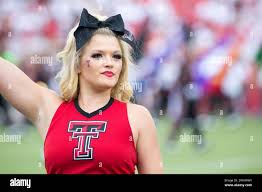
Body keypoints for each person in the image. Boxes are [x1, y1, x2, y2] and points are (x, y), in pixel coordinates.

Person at [0, 8, 163, 174]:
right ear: (77, 63)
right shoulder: (50, 108)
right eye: (98, 55)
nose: (109, 63)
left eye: (116, 56)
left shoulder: (138, 116)